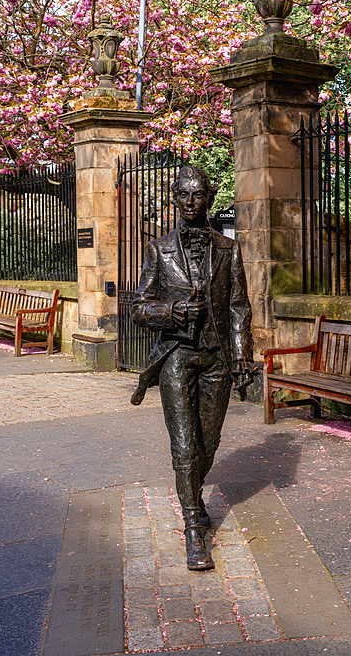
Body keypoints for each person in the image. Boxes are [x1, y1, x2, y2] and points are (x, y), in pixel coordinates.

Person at [130, 165, 255, 571]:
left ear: (209, 198)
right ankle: (192, 532)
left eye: (197, 195)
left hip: (217, 358)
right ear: (174, 197)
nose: (189, 202)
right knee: (184, 444)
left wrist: (240, 359)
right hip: (177, 358)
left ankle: (193, 497)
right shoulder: (158, 249)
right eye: (182, 194)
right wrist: (172, 310)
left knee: (209, 441)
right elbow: (138, 308)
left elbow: (238, 307)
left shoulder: (228, 249)